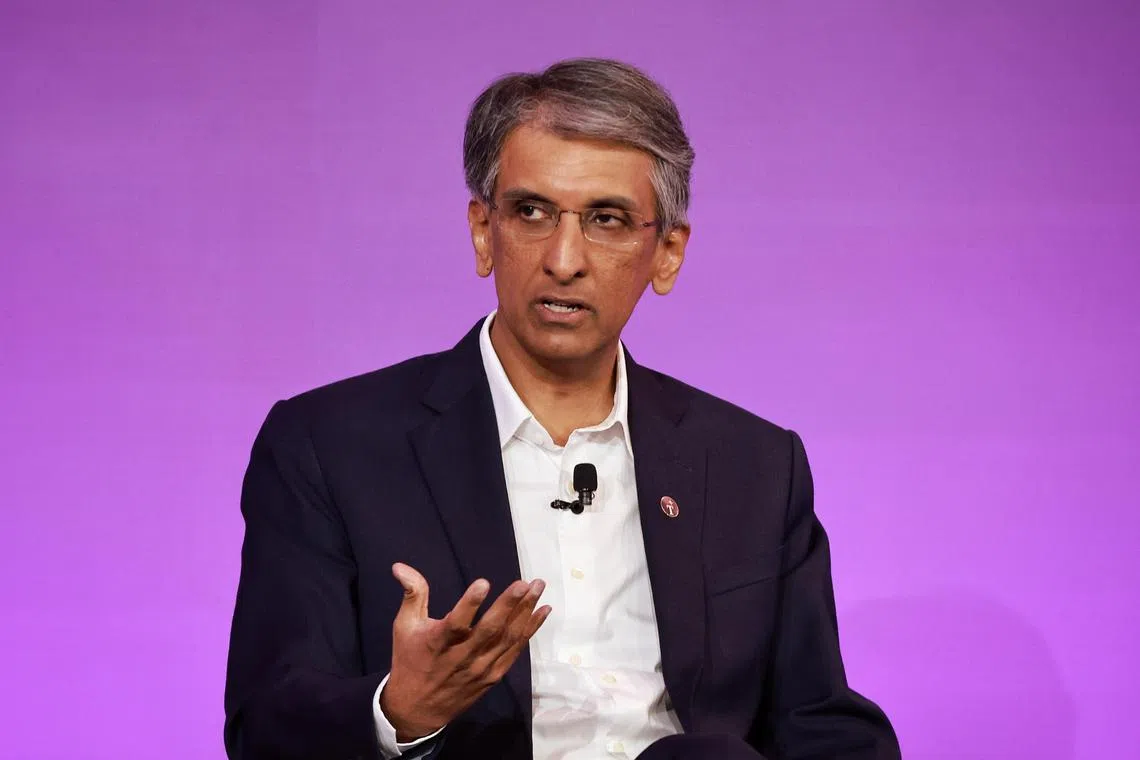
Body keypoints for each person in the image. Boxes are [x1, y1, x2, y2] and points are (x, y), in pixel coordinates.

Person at [223, 58, 900, 760]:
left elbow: (820, 719)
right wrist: (400, 710)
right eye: (532, 212)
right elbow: (267, 725)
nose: (565, 259)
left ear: (666, 254)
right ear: (484, 232)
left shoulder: (754, 466)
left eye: (606, 219)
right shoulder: (330, 445)